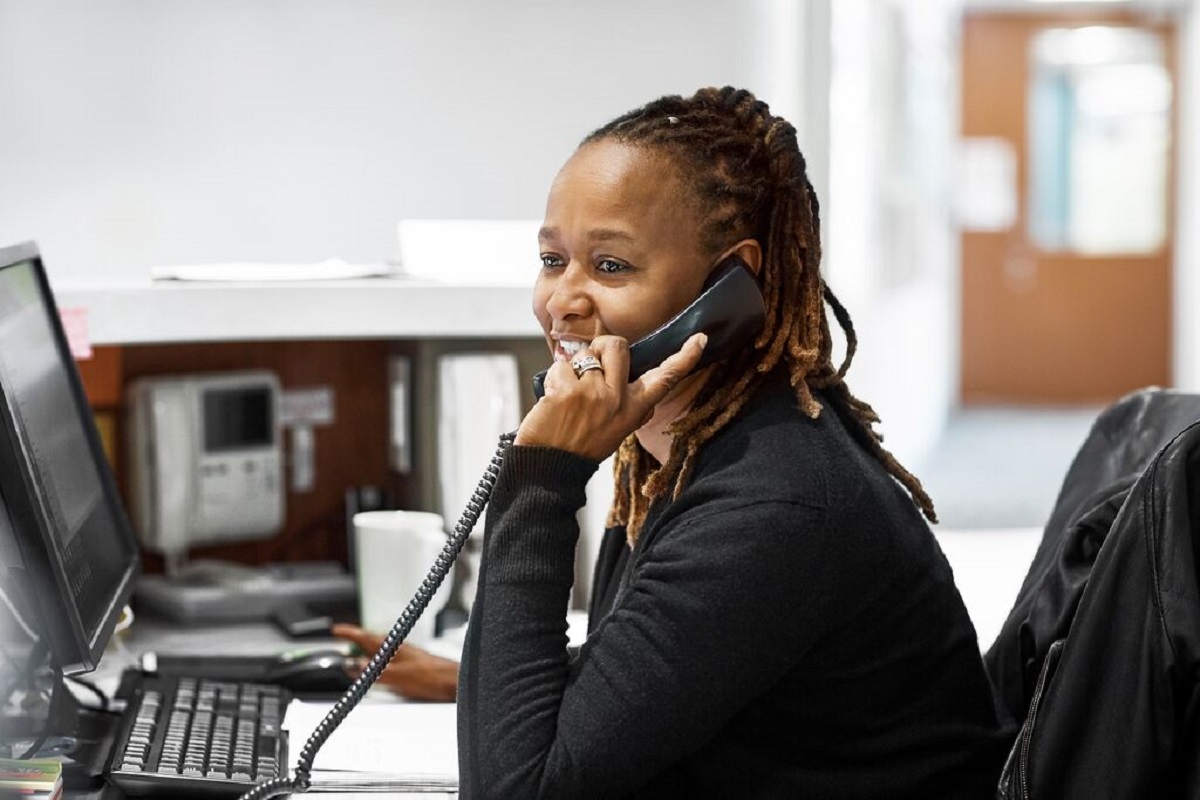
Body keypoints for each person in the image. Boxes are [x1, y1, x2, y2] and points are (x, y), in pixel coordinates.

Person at [360, 86, 1014, 798]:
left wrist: (542, 477)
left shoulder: (772, 505)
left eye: (610, 266)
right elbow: (663, 676)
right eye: (552, 259)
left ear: (730, 283)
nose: (562, 302)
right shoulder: (679, 453)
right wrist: (481, 686)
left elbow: (514, 792)